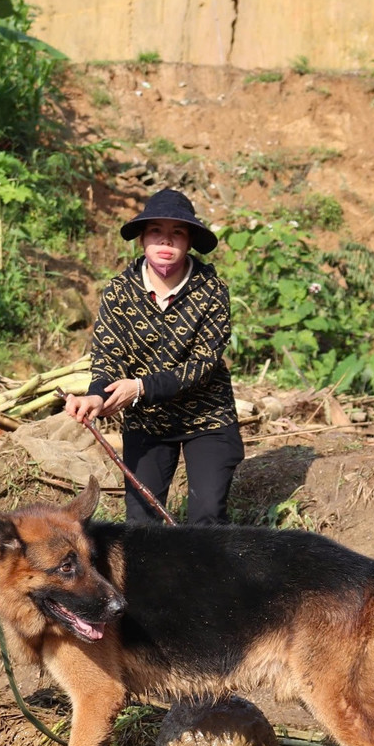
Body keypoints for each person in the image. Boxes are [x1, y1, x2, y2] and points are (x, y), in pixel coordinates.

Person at [64, 188, 243, 524]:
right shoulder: (119, 291)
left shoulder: (212, 290)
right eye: (157, 231)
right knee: (141, 524)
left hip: (206, 417)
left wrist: (141, 387)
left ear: (189, 242)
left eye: (177, 233)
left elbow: (202, 365)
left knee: (207, 516)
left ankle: (210, 576)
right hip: (148, 421)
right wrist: (96, 396)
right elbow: (107, 353)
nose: (166, 241)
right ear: (142, 239)